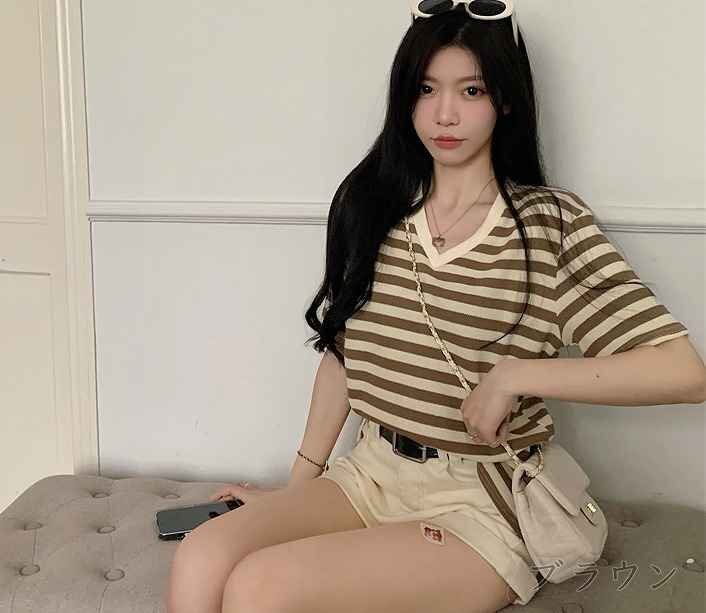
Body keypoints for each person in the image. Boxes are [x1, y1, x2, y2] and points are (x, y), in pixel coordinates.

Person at [166, 3, 704, 612]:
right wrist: (296, 493)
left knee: (261, 587)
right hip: (369, 472)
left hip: (479, 501)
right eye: (426, 89)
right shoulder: (376, 209)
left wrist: (516, 376)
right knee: (202, 555)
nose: (445, 114)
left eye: (471, 90)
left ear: (505, 100)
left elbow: (683, 372)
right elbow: (345, 357)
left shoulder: (549, 226)